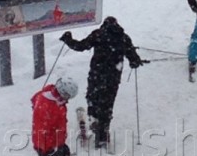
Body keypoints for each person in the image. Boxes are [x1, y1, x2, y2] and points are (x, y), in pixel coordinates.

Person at [60, 18, 147, 148]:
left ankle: (93, 117)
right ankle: (102, 135)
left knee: (92, 97)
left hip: (97, 75)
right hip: (113, 78)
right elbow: (133, 59)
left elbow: (80, 46)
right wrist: (136, 61)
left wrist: (68, 39)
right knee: (107, 105)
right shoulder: (124, 38)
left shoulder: (98, 34)